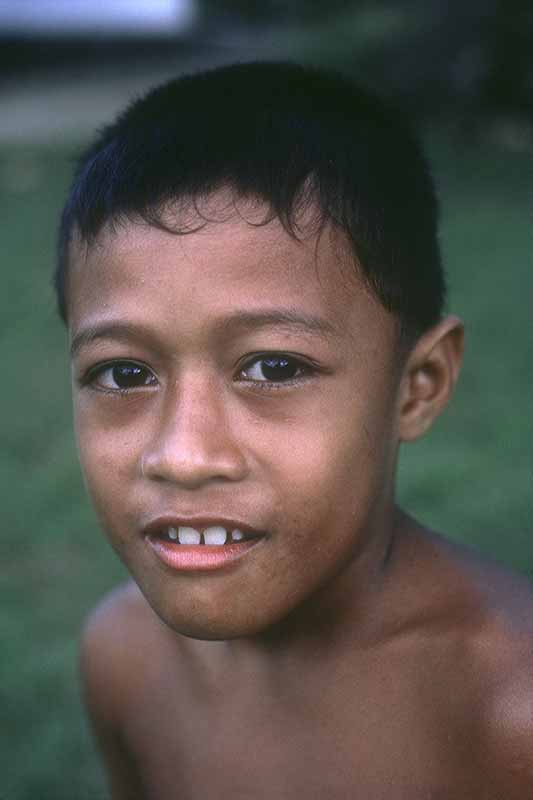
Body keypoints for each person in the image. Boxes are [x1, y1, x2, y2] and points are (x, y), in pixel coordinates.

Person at [56, 61, 533, 798]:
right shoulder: (122, 659)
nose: (183, 455)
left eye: (273, 367)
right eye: (124, 375)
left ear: (417, 385)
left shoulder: (508, 716)